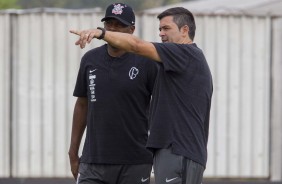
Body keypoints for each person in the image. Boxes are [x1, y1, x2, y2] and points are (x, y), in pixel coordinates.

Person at [70, 7, 213, 184]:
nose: (161, 34)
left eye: (166, 29)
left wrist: (100, 33)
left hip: (177, 150)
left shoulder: (185, 54)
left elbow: (137, 46)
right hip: (166, 151)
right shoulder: (170, 62)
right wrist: (73, 151)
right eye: (159, 29)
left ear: (185, 30)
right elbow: (82, 104)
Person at [68, 3, 158, 184]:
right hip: (93, 160)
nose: (113, 29)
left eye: (119, 25)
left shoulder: (147, 62)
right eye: (109, 24)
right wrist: (73, 151)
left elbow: (162, 108)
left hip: (135, 161)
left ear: (131, 30)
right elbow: (82, 105)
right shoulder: (90, 59)